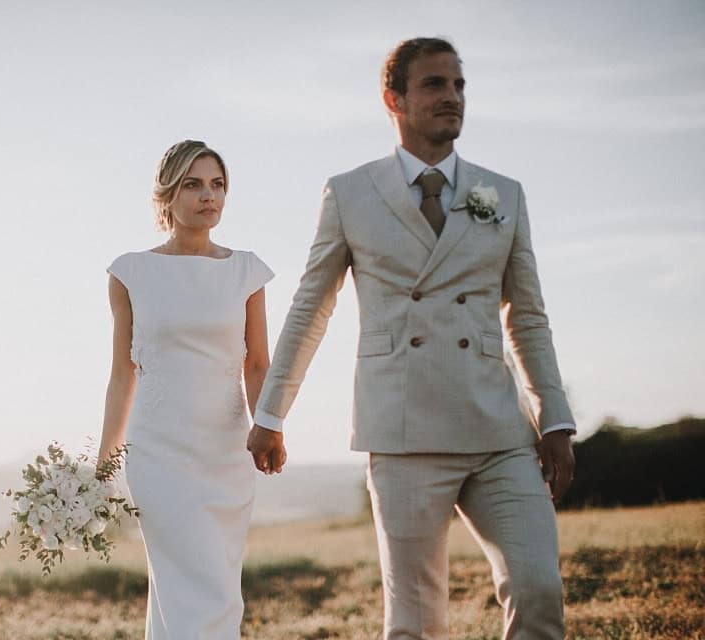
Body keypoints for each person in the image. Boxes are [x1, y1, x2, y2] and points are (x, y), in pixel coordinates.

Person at [246, 37, 576, 639]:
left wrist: (554, 419)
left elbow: (526, 315)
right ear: (392, 98)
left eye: (459, 85)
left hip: (499, 430)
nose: (452, 97)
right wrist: (271, 411)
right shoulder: (350, 192)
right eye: (434, 84)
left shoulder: (501, 192)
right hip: (402, 434)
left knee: (538, 588)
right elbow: (309, 309)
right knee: (417, 621)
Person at [98, 140, 276, 638]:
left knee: (218, 587)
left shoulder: (247, 270)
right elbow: (120, 375)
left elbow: (258, 363)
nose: (208, 196)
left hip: (226, 453)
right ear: (167, 195)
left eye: (217, 185)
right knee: (181, 585)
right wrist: (105, 465)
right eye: (193, 184)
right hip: (159, 455)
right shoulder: (131, 273)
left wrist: (270, 426)